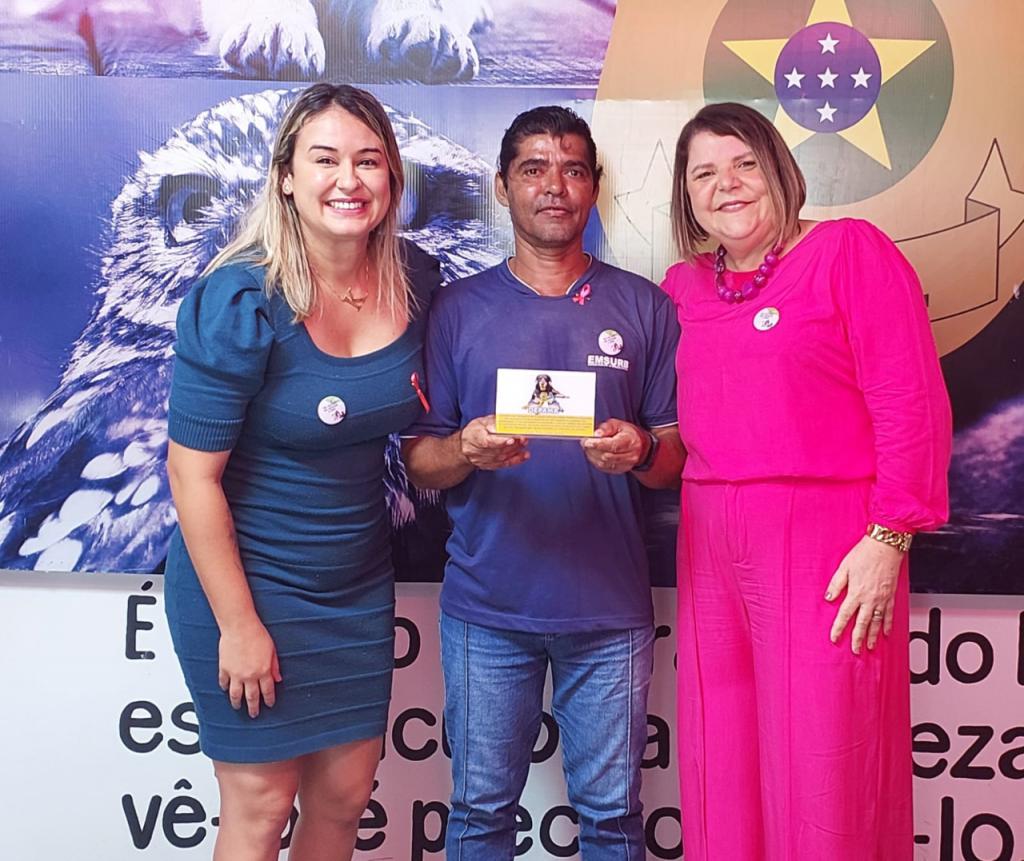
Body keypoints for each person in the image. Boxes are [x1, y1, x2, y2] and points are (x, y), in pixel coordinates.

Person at [661, 101, 952, 860]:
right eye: (704, 173)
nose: (726, 185)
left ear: (781, 170)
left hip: (829, 543)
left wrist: (890, 537)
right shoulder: (683, 287)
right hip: (709, 542)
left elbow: (910, 400)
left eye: (744, 164)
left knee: (824, 766)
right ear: (687, 197)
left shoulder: (848, 252)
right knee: (718, 761)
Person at [163, 83, 440, 861]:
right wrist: (240, 625)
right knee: (259, 807)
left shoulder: (417, 279)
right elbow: (191, 477)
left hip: (355, 585)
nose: (348, 180)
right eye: (325, 160)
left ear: (391, 178)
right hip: (248, 587)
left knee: (345, 800)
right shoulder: (240, 297)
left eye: (368, 161)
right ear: (286, 175)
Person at [401, 105, 684, 860]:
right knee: (479, 814)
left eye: (572, 170)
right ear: (503, 187)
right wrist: (465, 448)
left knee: (613, 819)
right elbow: (421, 461)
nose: (554, 186)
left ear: (594, 186)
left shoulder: (646, 306)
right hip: (487, 611)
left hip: (610, 612)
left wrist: (639, 450)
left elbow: (674, 459)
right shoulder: (456, 309)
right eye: (533, 169)